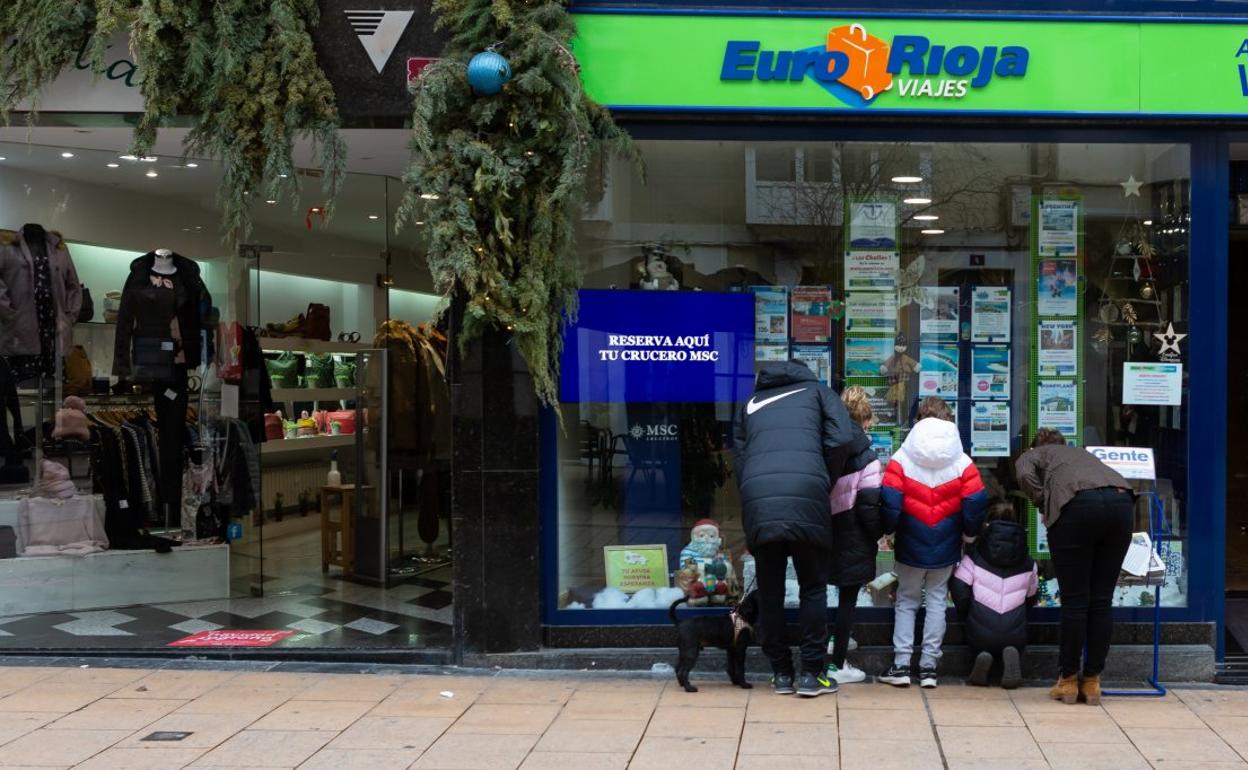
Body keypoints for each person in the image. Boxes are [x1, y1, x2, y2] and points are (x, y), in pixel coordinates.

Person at [734, 360, 869, 698]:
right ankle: (811, 674)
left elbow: (739, 455)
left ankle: (780, 674)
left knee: (770, 593)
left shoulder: (751, 404)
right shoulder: (820, 393)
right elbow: (841, 438)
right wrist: (824, 477)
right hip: (808, 496)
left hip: (760, 500)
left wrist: (754, 492)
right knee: (812, 587)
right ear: (805, 373)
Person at [1015, 428, 1133, 705]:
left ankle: (1068, 680)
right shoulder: (1081, 455)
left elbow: (1022, 473)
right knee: (1102, 600)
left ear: (1036, 447)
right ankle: (1092, 681)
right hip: (1121, 503)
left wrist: (1043, 501)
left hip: (1077, 506)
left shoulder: (1036, 454)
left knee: (1075, 600)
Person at [879, 396, 987, 688]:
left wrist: (888, 530)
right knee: (938, 600)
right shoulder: (962, 460)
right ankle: (928, 668)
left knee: (906, 600)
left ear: (919, 419)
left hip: (910, 541)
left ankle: (901, 666)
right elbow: (976, 501)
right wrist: (969, 534)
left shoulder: (902, 457)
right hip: (946, 542)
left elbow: (889, 499)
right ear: (948, 418)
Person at [825, 385, 883, 685]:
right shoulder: (868, 457)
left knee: (817, 591)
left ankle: (825, 648)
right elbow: (870, 507)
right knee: (847, 599)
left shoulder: (822, 444)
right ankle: (837, 665)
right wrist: (877, 534)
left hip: (822, 529)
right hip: (854, 533)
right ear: (866, 420)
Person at [950, 502, 1039, 689]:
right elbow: (1032, 596)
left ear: (987, 525)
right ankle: (1011, 652)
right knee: (1013, 638)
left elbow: (959, 588)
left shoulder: (974, 557)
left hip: (980, 629)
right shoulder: (1028, 562)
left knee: (979, 639)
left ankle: (980, 659)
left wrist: (967, 613)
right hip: (1015, 630)